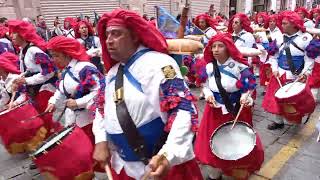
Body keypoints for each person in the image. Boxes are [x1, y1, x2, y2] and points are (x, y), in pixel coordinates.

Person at [93, 9, 203, 180]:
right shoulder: (113, 73)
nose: (109, 41)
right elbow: (101, 109)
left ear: (135, 36)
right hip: (125, 167)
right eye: (107, 35)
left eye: (116, 34)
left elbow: (183, 110)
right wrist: (100, 140)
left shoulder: (159, 63)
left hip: (159, 165)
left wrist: (168, 154)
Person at [194, 33, 264, 180]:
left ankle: (234, 169)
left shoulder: (240, 67)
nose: (216, 49)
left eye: (220, 46)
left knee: (235, 141)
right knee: (211, 143)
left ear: (228, 48)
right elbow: (204, 84)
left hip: (235, 110)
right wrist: (207, 94)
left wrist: (246, 97)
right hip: (214, 111)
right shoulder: (208, 67)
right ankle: (215, 173)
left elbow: (248, 87)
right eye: (213, 46)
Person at [45, 36, 105, 142]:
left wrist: (77, 103)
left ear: (67, 54)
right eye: (52, 56)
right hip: (73, 121)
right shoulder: (66, 70)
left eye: (56, 56)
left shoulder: (84, 68)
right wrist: (53, 102)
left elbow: (100, 92)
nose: (53, 60)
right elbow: (61, 89)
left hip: (89, 122)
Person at [262, 11, 315, 130]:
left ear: (294, 24)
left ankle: (294, 119)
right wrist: (274, 69)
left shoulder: (305, 38)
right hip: (280, 74)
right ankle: (278, 121)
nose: (282, 25)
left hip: (296, 76)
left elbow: (309, 59)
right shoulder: (279, 37)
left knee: (294, 101)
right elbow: (274, 56)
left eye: (285, 23)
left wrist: (305, 73)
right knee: (277, 98)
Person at [8, 20, 60, 134]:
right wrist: (18, 81)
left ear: (23, 34)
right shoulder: (23, 51)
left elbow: (49, 72)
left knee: (48, 120)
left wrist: (26, 80)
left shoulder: (33, 50)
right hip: (35, 90)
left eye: (15, 32)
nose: (11, 36)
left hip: (45, 90)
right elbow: (28, 71)